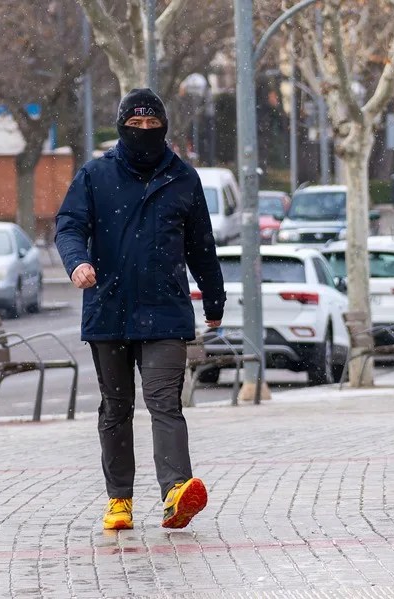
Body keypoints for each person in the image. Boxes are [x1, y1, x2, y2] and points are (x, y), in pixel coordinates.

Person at [55, 89, 226, 531]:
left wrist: (214, 298)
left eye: (153, 126)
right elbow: (69, 226)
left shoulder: (183, 178)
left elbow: (201, 246)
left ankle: (176, 492)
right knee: (116, 407)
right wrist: (77, 263)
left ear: (165, 128)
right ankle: (120, 501)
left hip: (165, 309)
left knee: (164, 400)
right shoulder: (95, 175)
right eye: (137, 125)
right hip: (108, 309)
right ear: (122, 127)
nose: (145, 133)